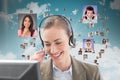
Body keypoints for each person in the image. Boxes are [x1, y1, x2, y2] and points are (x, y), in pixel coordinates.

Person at [30, 15, 103, 80]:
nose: (53, 50)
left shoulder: (92, 72)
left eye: (58, 43)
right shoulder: (37, 71)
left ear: (69, 37)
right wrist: (30, 73)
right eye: (47, 44)